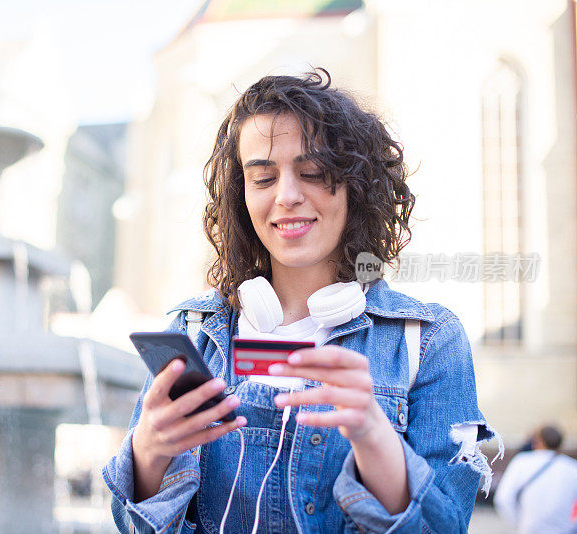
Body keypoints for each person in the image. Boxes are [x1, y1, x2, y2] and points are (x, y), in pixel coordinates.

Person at [103, 69, 500, 533]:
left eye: (313, 172)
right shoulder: (191, 333)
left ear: (357, 186)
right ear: (241, 197)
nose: (287, 197)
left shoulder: (428, 342)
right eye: (264, 178)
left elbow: (446, 527)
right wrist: (147, 453)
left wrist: (374, 437)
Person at [495, 425, 577, 533]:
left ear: (538, 441)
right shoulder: (572, 467)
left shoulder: (522, 461)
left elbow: (503, 499)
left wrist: (520, 523)